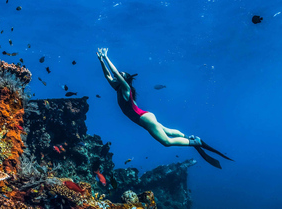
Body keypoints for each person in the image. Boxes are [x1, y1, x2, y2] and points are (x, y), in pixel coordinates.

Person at [97, 48, 233, 169]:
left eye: (119, 76)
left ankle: (194, 142)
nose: (115, 77)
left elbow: (114, 73)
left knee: (166, 142)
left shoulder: (126, 88)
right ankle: (187, 137)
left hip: (144, 119)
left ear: (123, 80)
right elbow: (107, 75)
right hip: (145, 116)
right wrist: (101, 60)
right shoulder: (118, 88)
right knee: (166, 130)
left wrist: (106, 56)